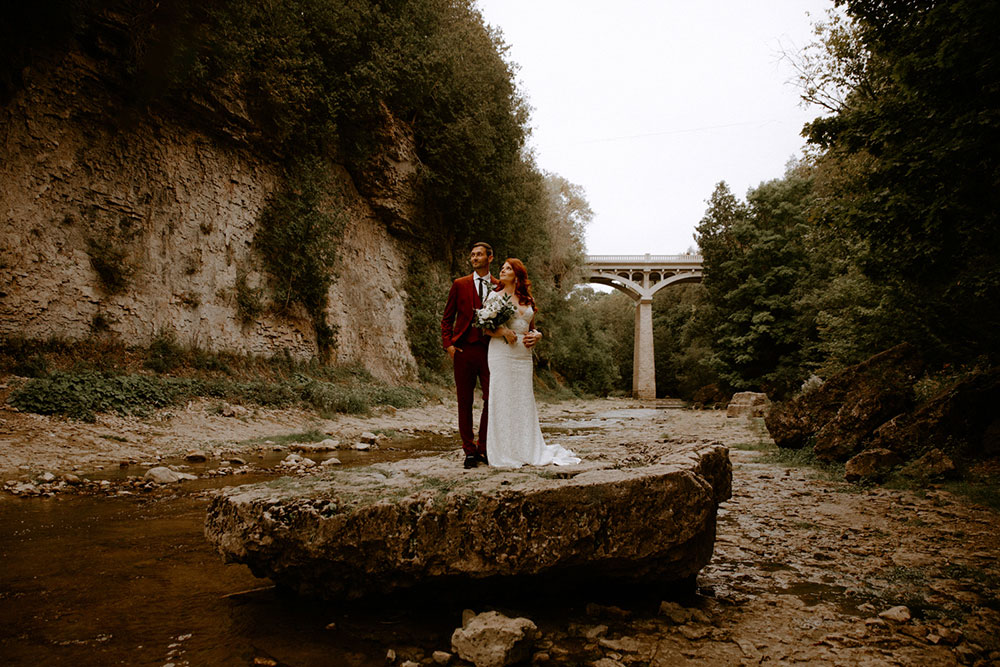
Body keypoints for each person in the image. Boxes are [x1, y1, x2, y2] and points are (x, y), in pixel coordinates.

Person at [482, 259, 581, 468]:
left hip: (523, 356)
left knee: (523, 399)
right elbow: (485, 328)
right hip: (501, 353)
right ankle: (504, 452)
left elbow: (532, 328)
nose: (502, 270)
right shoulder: (494, 297)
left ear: (517, 274)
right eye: (502, 267)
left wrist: (538, 336)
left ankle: (527, 449)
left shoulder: (527, 299)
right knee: (502, 397)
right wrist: (503, 331)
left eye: (508, 268)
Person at [441, 242, 498, 469]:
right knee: (464, 402)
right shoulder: (460, 284)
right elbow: (447, 318)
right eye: (472, 255)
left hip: (490, 350)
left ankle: (483, 447)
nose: (474, 258)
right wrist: (449, 345)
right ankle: (469, 451)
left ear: (490, 258)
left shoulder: (499, 285)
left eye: (479, 254)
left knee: (490, 399)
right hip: (463, 350)